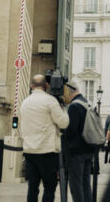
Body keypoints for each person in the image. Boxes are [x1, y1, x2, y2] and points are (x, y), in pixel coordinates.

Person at [20, 74, 70, 202]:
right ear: (46, 86)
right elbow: (63, 123)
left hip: (29, 150)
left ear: (31, 86)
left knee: (32, 187)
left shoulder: (25, 103)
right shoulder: (50, 101)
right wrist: (63, 108)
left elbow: (21, 127)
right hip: (46, 150)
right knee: (49, 186)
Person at [62, 80, 94, 202]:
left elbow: (70, 131)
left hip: (76, 152)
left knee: (76, 185)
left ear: (69, 92)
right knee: (86, 184)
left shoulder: (74, 106)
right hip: (88, 149)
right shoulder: (87, 103)